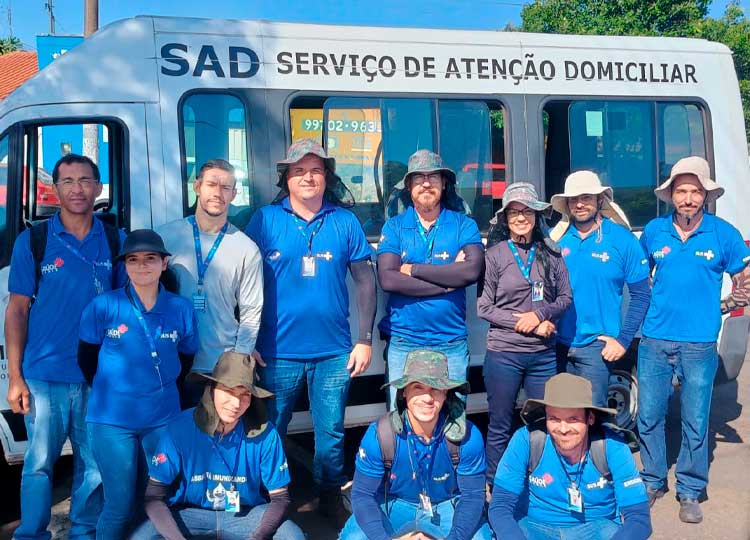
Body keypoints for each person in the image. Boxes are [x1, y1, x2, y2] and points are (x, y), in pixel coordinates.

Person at [245, 138, 377, 526]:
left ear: (326, 177)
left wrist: (364, 339)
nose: (308, 177)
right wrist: (248, 339)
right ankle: (266, 499)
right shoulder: (265, 220)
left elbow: (365, 281)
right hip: (276, 351)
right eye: (299, 171)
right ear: (286, 178)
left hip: (334, 352)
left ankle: (328, 497)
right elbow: (243, 279)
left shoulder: (344, 221)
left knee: (331, 434)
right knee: (270, 431)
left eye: (316, 171)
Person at [5, 154, 126, 540]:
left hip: (98, 378)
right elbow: (17, 311)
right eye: (68, 181)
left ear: (99, 187)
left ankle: (83, 534)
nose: (78, 188)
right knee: (38, 464)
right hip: (44, 378)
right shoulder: (35, 240)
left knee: (93, 465)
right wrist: (16, 378)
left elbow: (127, 304)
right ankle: (32, 534)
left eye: (85, 180)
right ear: (55, 189)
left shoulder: (114, 239)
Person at [637, 156, 750, 523]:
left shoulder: (723, 234)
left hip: (700, 344)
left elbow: (745, 278)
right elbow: (640, 277)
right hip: (654, 340)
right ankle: (652, 480)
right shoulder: (654, 231)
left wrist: (723, 305)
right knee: (650, 416)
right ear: (670, 196)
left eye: (695, 191)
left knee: (695, 419)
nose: (688, 198)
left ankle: (689, 489)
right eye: (681, 191)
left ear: (705, 196)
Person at [77, 229, 199, 539]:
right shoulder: (104, 306)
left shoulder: (181, 309)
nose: (141, 266)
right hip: (112, 423)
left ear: (163, 263)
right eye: (133, 260)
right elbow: (86, 359)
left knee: (158, 498)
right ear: (124, 266)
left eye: (149, 259)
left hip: (162, 421)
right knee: (118, 504)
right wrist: (114, 391)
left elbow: (185, 358)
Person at [129, 352, 305, 540]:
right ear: (211, 389)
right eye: (228, 391)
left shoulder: (266, 433)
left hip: (245, 513)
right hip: (191, 512)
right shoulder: (179, 427)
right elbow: (154, 497)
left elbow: (280, 498)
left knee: (292, 535)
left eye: (245, 395)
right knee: (142, 536)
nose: (236, 403)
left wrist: (257, 537)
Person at [341, 349, 492, 540]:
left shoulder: (467, 437)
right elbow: (362, 496)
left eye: (435, 389)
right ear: (404, 392)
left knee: (481, 537)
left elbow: (472, 497)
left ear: (446, 393)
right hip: (395, 505)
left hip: (446, 506)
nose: (427, 398)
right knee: (354, 537)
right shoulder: (380, 435)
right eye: (418, 388)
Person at [478, 182, 572, 487]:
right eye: (514, 212)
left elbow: (564, 298)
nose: (521, 217)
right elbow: (484, 308)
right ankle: (496, 483)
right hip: (504, 354)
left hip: (542, 355)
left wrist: (541, 315)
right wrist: (528, 321)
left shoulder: (551, 253)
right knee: (500, 424)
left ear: (536, 216)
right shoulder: (493, 255)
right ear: (505, 219)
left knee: (542, 422)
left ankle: (540, 480)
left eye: (527, 211)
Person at [377, 149, 484, 408]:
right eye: (419, 178)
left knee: (454, 421)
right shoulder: (394, 227)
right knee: (401, 420)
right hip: (404, 341)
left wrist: (413, 269)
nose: (426, 183)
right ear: (409, 186)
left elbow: (472, 272)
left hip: (451, 342)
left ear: (444, 183)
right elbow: (388, 280)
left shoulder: (463, 225)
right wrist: (449, 280)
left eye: (433, 177)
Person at [489, 373, 652, 540]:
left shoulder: (612, 446)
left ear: (590, 418)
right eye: (554, 419)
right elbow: (500, 505)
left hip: (597, 527)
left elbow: (639, 518)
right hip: (534, 526)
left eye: (573, 419)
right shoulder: (527, 439)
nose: (563, 429)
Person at [157, 158, 263, 407]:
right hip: (169, 361)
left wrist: (239, 362)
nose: (218, 193)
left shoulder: (246, 248)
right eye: (212, 184)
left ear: (235, 194)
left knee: (216, 440)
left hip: (218, 366)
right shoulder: (165, 236)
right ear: (197, 187)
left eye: (226, 187)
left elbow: (251, 311)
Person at [549, 171, 650, 406]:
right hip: (558, 345)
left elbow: (642, 295)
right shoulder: (557, 240)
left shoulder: (622, 240)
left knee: (593, 418)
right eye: (574, 199)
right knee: (563, 418)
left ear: (599, 200)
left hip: (597, 348)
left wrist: (623, 341)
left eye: (586, 197)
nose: (580, 204)